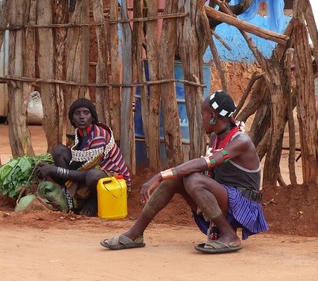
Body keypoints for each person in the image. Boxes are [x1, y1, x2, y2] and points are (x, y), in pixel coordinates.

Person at [100, 90, 268, 254]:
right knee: (175, 179)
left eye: (202, 114)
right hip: (225, 199)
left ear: (212, 116)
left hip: (243, 205)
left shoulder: (241, 141)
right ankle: (135, 234)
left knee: (194, 180)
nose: (200, 119)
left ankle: (229, 235)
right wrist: (168, 176)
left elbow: (208, 163)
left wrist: (160, 175)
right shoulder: (217, 138)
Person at [35, 98, 131, 217]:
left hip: (113, 180)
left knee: (92, 175)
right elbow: (76, 162)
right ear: (72, 119)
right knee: (58, 151)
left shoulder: (99, 136)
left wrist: (55, 170)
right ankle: (75, 195)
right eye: (77, 113)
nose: (82, 117)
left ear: (93, 117)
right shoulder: (78, 135)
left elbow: (88, 172)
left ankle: (93, 201)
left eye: (86, 112)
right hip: (87, 175)